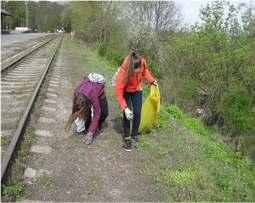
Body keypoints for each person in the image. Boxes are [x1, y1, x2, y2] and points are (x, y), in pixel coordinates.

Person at [115, 50, 157, 151]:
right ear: (130, 68)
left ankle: (134, 135)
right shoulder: (123, 71)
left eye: (139, 69)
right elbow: (118, 92)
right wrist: (125, 108)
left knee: (137, 112)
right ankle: (127, 138)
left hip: (137, 89)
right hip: (126, 91)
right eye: (135, 70)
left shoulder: (141, 62)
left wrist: (151, 80)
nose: (138, 71)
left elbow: (145, 72)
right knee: (128, 114)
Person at [65, 73, 108, 145]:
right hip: (89, 87)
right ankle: (88, 127)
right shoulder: (76, 92)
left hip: (99, 92)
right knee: (86, 114)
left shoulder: (94, 95)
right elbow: (75, 110)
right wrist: (70, 122)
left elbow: (97, 113)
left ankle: (96, 126)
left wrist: (91, 133)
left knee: (104, 113)